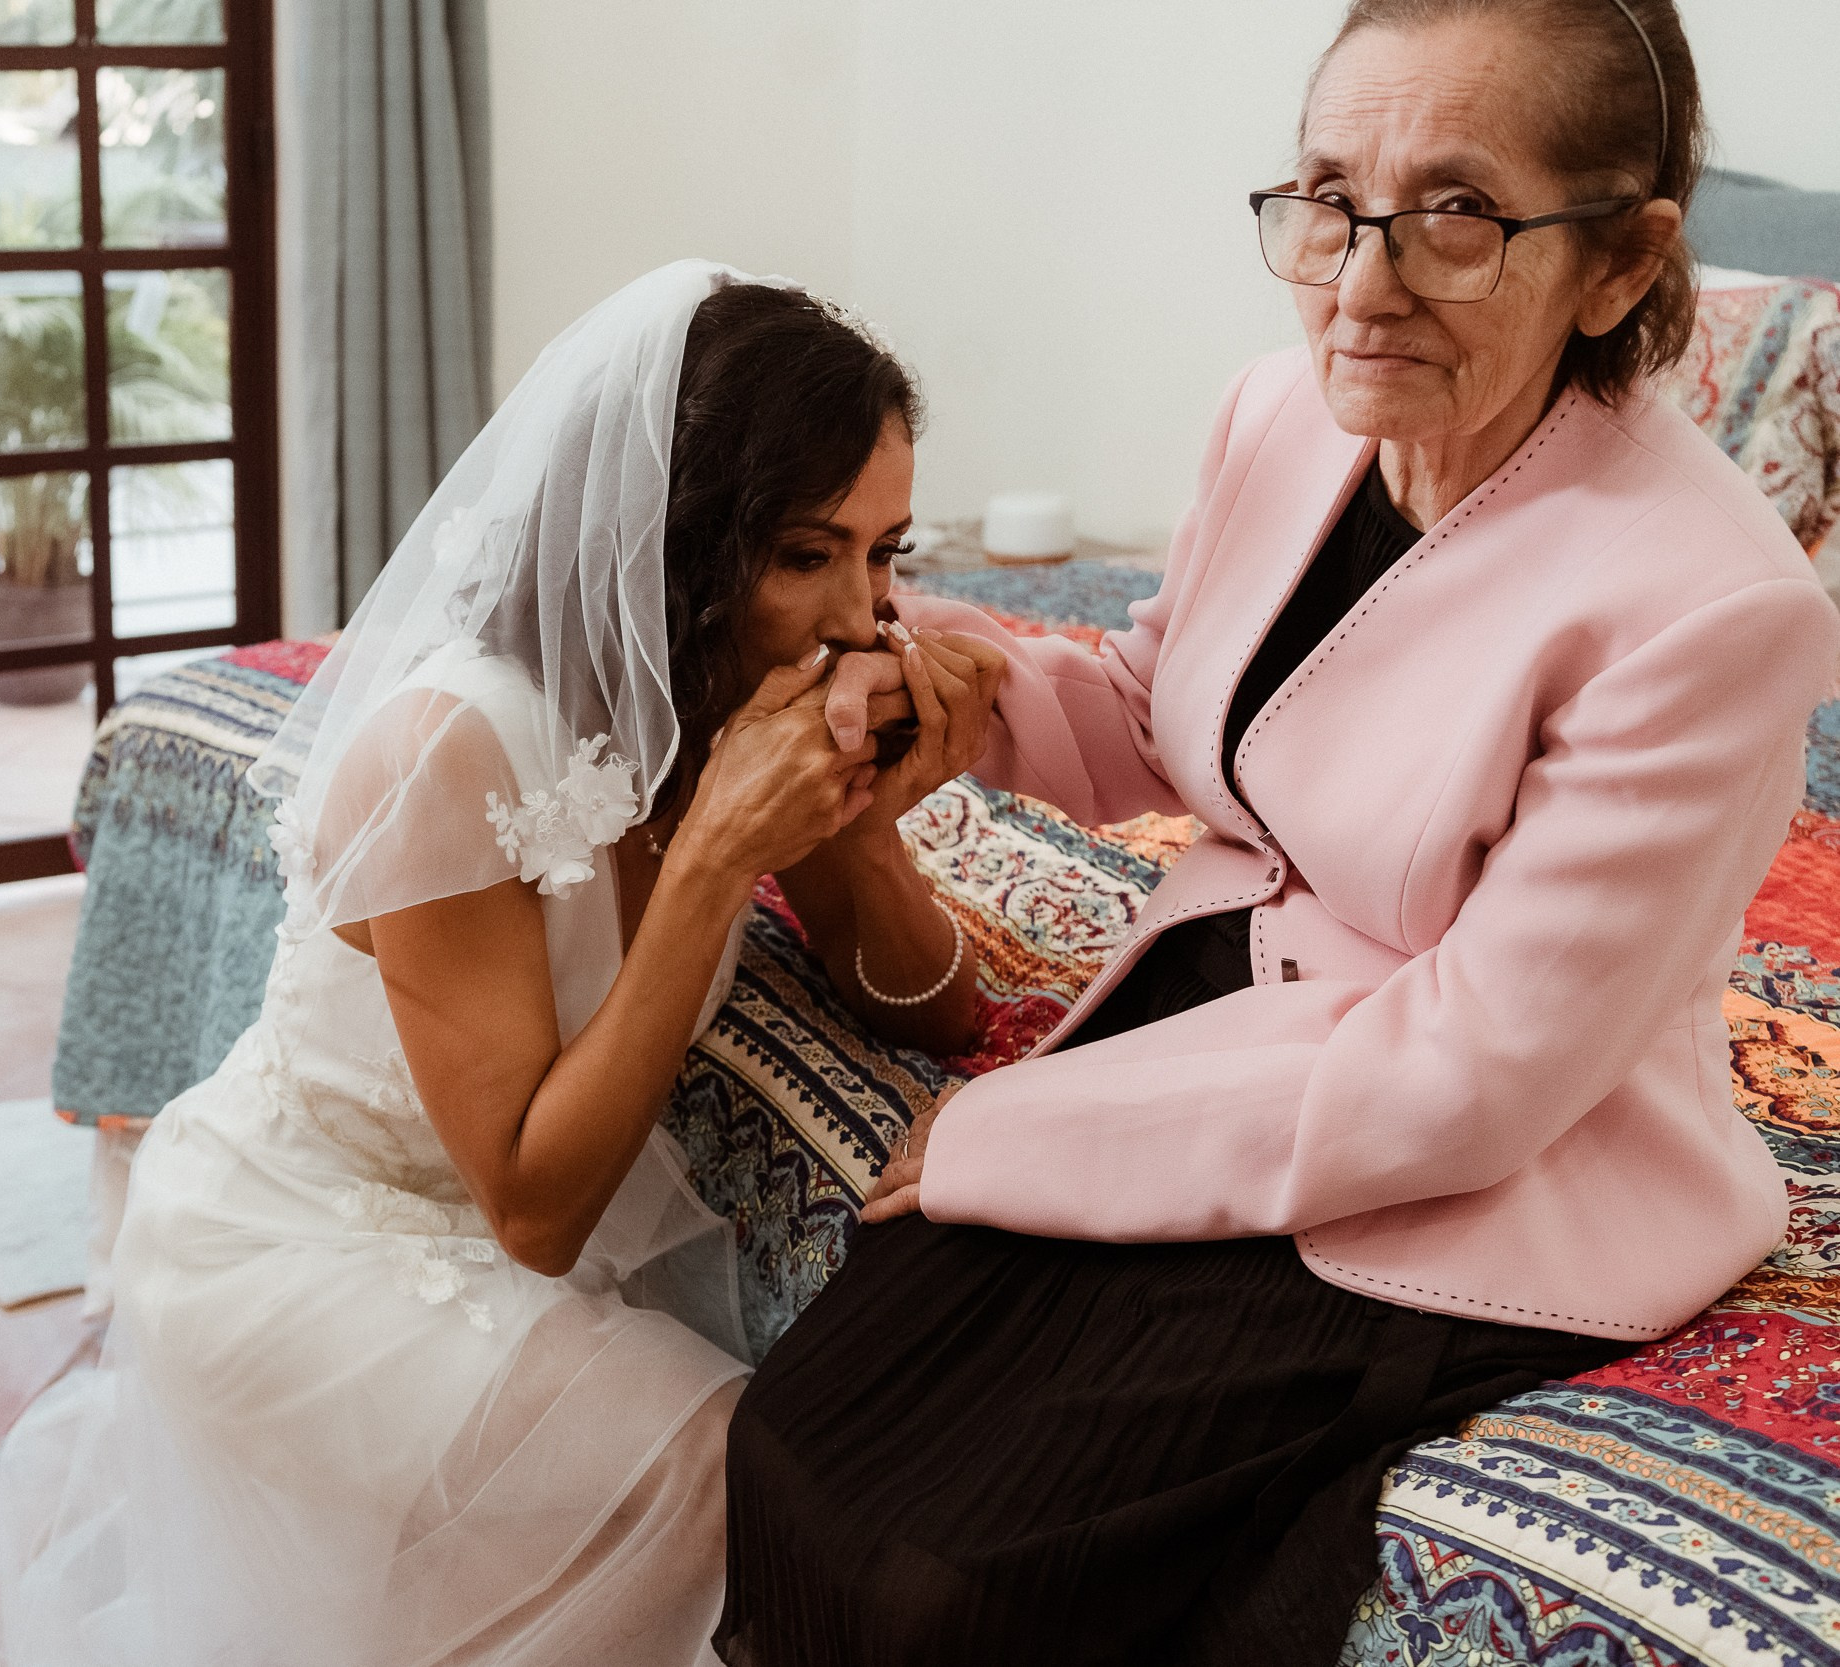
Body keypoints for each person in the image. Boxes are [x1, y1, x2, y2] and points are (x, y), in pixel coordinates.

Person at [720, 3, 1840, 1663]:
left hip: (1465, 1154)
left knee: (951, 1578)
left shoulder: (1713, 604)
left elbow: (1471, 1083)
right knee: (801, 1442)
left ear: (1618, 265)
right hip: (1222, 1015)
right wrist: (950, 688)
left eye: (1456, 215)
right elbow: (1169, 713)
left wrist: (1006, 1139)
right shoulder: (1279, 413)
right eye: (1326, 196)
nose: (1362, 286)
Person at [0, 262, 1001, 1667]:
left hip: (473, 1239)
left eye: (887, 554)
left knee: (767, 1495)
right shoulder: (451, 745)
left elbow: (942, 1018)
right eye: (807, 555)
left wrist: (868, 821)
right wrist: (708, 866)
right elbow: (534, 1211)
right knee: (717, 1481)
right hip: (294, 1249)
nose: (862, 616)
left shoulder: (738, 702)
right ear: (678, 542)